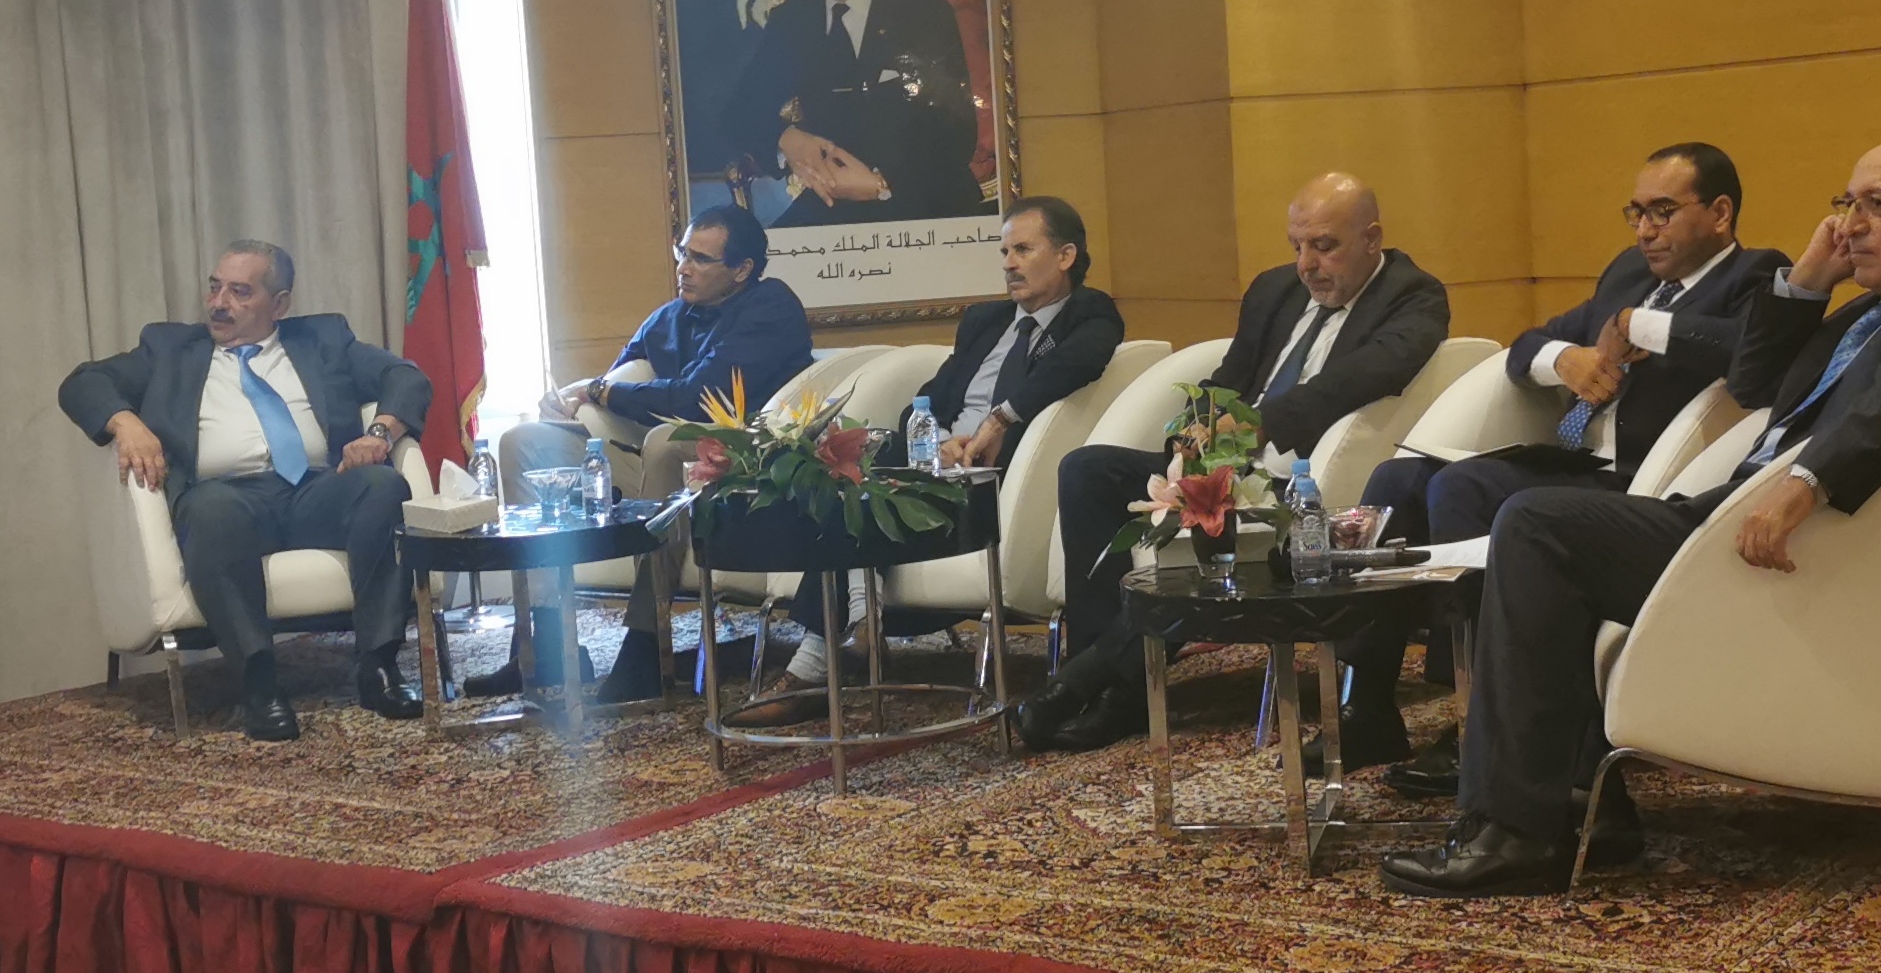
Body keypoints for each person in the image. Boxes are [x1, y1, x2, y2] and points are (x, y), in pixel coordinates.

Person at [1379, 139, 1881, 898]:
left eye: (1878, 204)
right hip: (1740, 514)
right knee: (1532, 523)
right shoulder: (1876, 306)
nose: (1851, 224)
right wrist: (1806, 282)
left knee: (1537, 527)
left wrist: (1808, 480)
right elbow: (1757, 380)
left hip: (1804, 539)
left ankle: (1517, 830)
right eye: (1847, 203)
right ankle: (1582, 807)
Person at [1324, 143, 1789, 781]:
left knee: (1461, 486)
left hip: (1650, 480)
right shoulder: (1629, 273)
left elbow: (1752, 348)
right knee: (1396, 480)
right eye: (1636, 213)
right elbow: (1528, 345)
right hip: (1576, 460)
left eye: (1662, 212)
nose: (1645, 230)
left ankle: (1492, 722)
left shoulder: (1758, 275)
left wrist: (1638, 326)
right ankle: (1367, 706)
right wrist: (1566, 359)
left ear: (1720, 213)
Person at [1015, 172, 1451, 752]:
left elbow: (1365, 374)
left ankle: (1085, 687)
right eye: (1297, 246)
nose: (1307, 265)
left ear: (1371, 239)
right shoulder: (1275, 289)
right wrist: (1192, 429)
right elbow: (1231, 377)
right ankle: (1114, 685)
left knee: (1212, 525)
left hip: (1298, 481)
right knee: (1089, 469)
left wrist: (1257, 424)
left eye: (1325, 246)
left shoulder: (1413, 295)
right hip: (1226, 465)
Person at [739, 195, 1125, 725]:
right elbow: (923, 402)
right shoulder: (986, 322)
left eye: (1023, 250)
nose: (1009, 264)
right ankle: (856, 629)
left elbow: (1077, 364)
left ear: (1065, 256)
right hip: (934, 467)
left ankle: (820, 662)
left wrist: (998, 420)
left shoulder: (1090, 314)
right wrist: (938, 439)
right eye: (1004, 252)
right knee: (855, 476)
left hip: (996, 481)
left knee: (860, 492)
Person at [57, 242, 433, 741]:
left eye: (239, 292)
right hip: (227, 496)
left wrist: (379, 433)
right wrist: (126, 422)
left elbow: (404, 376)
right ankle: (259, 683)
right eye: (215, 288)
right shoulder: (169, 349)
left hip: (315, 490)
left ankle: (379, 666)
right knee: (212, 510)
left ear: (279, 304)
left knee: (383, 487)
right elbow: (82, 383)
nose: (219, 303)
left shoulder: (323, 338)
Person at [477, 204, 812, 703]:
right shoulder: (670, 318)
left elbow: (697, 398)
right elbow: (612, 385)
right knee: (526, 441)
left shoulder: (772, 307)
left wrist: (603, 391)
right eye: (682, 253)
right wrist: (573, 400)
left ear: (742, 269)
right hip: (657, 464)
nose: (683, 268)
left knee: (667, 442)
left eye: (700, 259)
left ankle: (644, 645)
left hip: (746, 470)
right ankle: (545, 639)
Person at [723, 0, 983, 227]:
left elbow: (956, 135)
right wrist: (786, 139)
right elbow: (739, 111)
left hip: (924, 199)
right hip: (831, 208)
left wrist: (881, 184)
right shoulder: (792, 21)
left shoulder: (926, 15)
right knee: (766, 256)